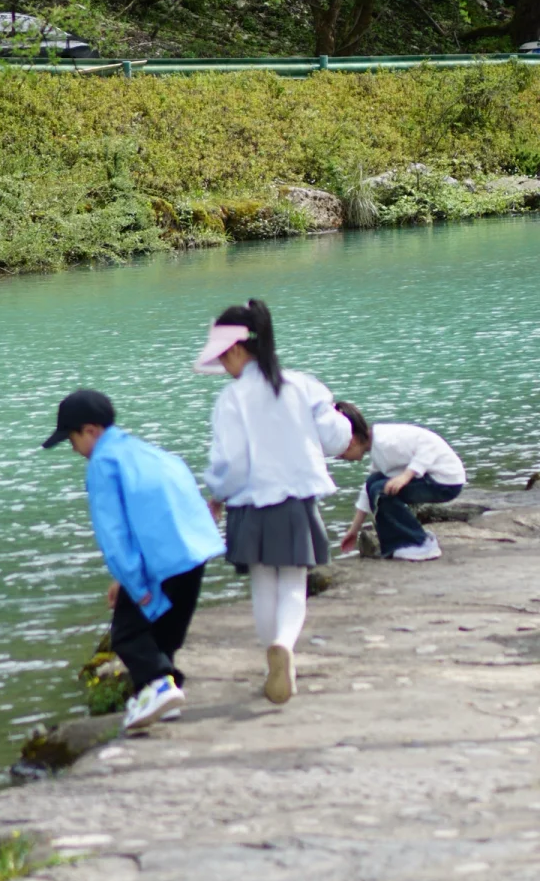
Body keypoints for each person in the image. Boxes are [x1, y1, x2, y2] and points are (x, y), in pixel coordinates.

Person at [195, 299, 350, 706]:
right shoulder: (302, 385)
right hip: (296, 500)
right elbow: (336, 439)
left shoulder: (232, 398)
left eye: (221, 356)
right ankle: (284, 645)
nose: (222, 365)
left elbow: (231, 464)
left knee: (263, 584)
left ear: (235, 349)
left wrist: (217, 495)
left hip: (249, 503)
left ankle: (274, 662)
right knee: (294, 584)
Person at [42, 388, 223, 734]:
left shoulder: (103, 464)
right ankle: (159, 700)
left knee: (126, 635)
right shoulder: (149, 452)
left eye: (72, 439)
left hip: (160, 560)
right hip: (194, 551)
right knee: (163, 635)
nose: (73, 449)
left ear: (90, 430)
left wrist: (134, 584)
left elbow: (114, 534)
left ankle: (158, 686)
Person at [335, 401, 465, 561]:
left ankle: (419, 543)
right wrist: (354, 530)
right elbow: (367, 489)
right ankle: (400, 543)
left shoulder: (386, 441)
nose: (343, 458)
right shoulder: (377, 447)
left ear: (352, 441)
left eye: (341, 454)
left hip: (445, 482)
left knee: (382, 491)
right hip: (431, 478)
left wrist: (407, 475)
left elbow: (429, 445)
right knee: (374, 483)